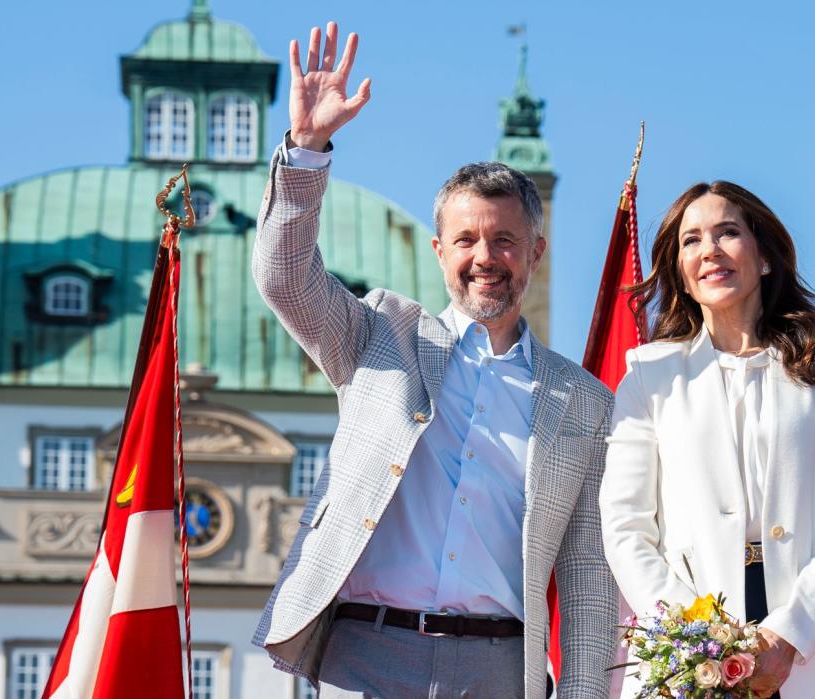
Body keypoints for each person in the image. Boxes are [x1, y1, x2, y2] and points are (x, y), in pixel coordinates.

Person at [251, 22, 617, 698]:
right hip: (367, 653)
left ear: (536, 252)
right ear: (439, 251)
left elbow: (590, 577)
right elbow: (285, 281)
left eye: (506, 240)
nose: (486, 258)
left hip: (500, 668)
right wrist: (305, 152)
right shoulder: (383, 336)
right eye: (467, 239)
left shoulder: (584, 401)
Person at [599, 181, 815, 698]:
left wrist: (788, 636)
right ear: (680, 272)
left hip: (807, 656)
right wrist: (698, 636)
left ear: (765, 256)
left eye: (728, 232)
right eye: (691, 240)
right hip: (686, 659)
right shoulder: (648, 378)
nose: (709, 250)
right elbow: (625, 527)